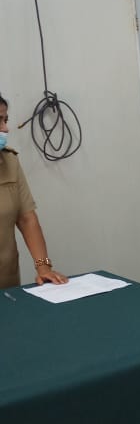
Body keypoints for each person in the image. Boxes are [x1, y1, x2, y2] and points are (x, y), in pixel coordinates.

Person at [0, 92, 67, 289]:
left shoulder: (9, 161)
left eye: (5, 120)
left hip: (6, 283)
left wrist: (43, 267)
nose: (5, 128)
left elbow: (26, 218)